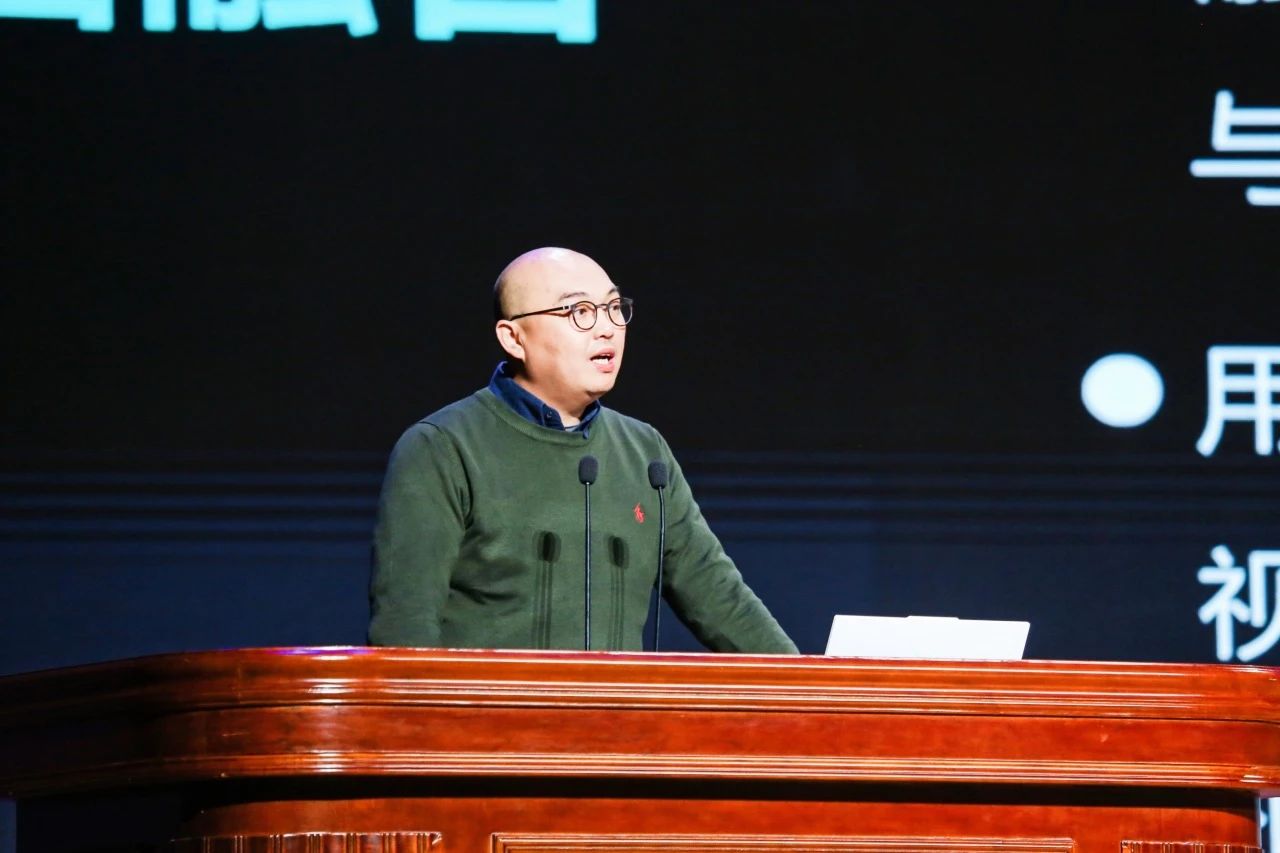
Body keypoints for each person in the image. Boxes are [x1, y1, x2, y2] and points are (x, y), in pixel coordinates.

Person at [368, 247, 797, 654]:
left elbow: (719, 596)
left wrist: (813, 688)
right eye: (579, 312)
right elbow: (403, 629)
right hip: (485, 710)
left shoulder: (644, 452)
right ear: (514, 338)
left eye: (613, 308)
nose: (607, 327)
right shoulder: (442, 447)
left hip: (614, 709)